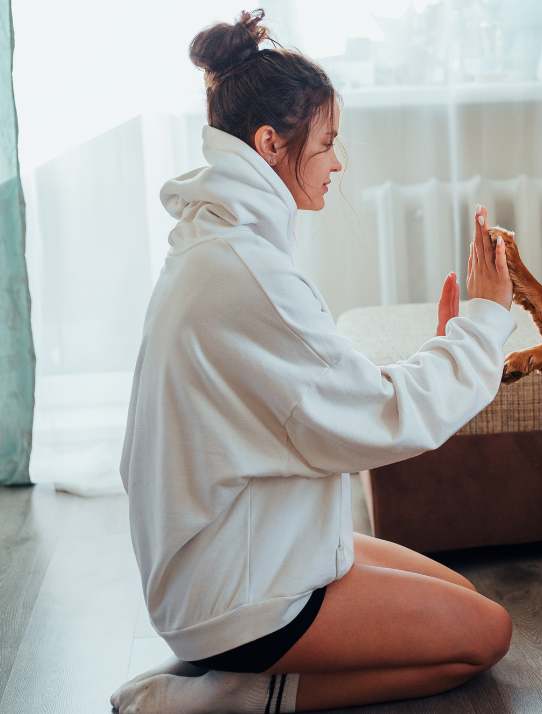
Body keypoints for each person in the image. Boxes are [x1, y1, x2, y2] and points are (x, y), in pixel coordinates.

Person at [111, 9, 515, 713]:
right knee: (485, 634)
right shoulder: (245, 272)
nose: (340, 162)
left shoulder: (224, 245)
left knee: (460, 599)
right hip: (235, 593)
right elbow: (379, 420)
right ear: (270, 144)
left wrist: (449, 344)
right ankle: (230, 698)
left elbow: (324, 395)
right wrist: (483, 324)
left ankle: (232, 675)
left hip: (236, 551)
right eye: (328, 143)